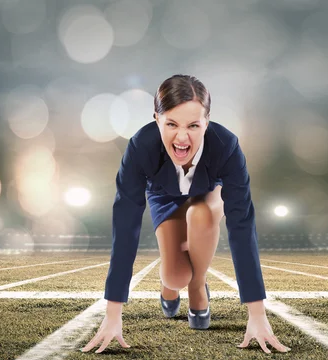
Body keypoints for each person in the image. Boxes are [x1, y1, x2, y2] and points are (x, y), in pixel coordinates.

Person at [82, 74, 291, 354]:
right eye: (171, 124)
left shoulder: (226, 146)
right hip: (164, 197)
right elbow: (126, 224)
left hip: (207, 194)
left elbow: (242, 224)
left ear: (207, 121)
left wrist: (257, 314)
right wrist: (112, 316)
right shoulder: (140, 146)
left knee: (200, 216)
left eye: (194, 125)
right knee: (174, 276)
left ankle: (198, 287)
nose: (182, 137)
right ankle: (171, 284)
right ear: (156, 119)